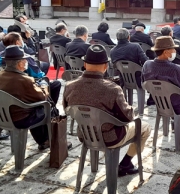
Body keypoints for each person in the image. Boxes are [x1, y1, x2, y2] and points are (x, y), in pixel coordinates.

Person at [64, 45, 149, 175]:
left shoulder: (69, 86)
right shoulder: (112, 89)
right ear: (105, 66)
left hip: (85, 134)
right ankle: (126, 164)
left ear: (85, 64)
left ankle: (102, 165)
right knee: (145, 127)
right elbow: (127, 117)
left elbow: (67, 109)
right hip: (111, 137)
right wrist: (132, 109)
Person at [0, 46, 64, 150]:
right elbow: (42, 97)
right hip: (20, 119)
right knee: (49, 108)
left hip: (1, 117)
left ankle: (44, 140)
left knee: (34, 107)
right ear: (20, 63)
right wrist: (44, 86)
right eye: (25, 60)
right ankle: (50, 141)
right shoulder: (24, 79)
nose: (26, 62)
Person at [141, 36, 180, 114]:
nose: (174, 51)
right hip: (178, 105)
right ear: (166, 52)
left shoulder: (147, 65)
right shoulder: (175, 69)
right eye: (173, 49)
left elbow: (144, 84)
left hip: (158, 102)